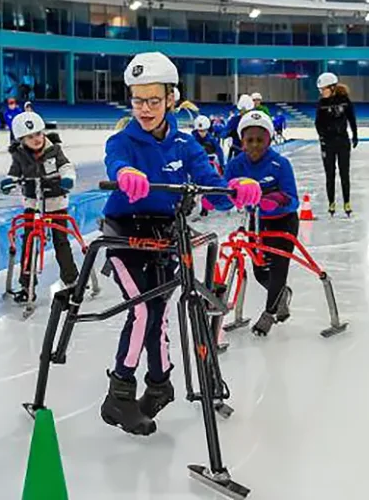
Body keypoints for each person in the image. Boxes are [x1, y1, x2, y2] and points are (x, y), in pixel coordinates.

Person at [99, 51, 261, 436]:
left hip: (165, 236)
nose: (145, 108)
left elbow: (212, 187)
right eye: (138, 100)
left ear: (171, 98)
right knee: (142, 309)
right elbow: (116, 162)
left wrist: (235, 189)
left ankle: (160, 383)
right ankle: (119, 392)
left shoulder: (185, 145)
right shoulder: (122, 141)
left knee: (159, 311)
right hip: (123, 234)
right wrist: (125, 173)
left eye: (154, 100)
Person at [225, 111, 299, 336]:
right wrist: (214, 199)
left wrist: (276, 200)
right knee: (259, 271)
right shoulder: (235, 165)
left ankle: (269, 313)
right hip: (256, 222)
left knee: (278, 267)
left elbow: (293, 199)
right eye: (250, 140)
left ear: (269, 140)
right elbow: (225, 191)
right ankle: (281, 294)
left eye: (260, 140)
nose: (255, 145)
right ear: (242, 141)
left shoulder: (281, 164)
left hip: (283, 223)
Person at [0, 111, 79, 302]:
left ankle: (71, 281)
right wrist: (9, 182)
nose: (36, 139)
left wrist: (68, 179)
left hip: (55, 202)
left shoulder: (54, 150)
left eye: (38, 134)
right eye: (30, 137)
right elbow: (14, 174)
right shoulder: (19, 155)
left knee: (61, 242)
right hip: (33, 204)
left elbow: (66, 167)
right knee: (29, 243)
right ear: (21, 140)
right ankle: (27, 286)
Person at [315, 72, 358, 217]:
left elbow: (351, 118)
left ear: (332, 87)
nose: (321, 92)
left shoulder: (344, 100)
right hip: (328, 143)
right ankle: (331, 202)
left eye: (323, 89)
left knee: (344, 173)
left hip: (343, 141)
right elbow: (318, 123)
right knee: (330, 174)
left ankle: (347, 202)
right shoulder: (321, 103)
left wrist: (355, 135)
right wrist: (322, 138)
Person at [222, 94, 255, 161]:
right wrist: (229, 133)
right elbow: (223, 134)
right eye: (242, 111)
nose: (244, 113)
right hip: (238, 152)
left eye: (246, 111)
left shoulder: (255, 121)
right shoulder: (234, 120)